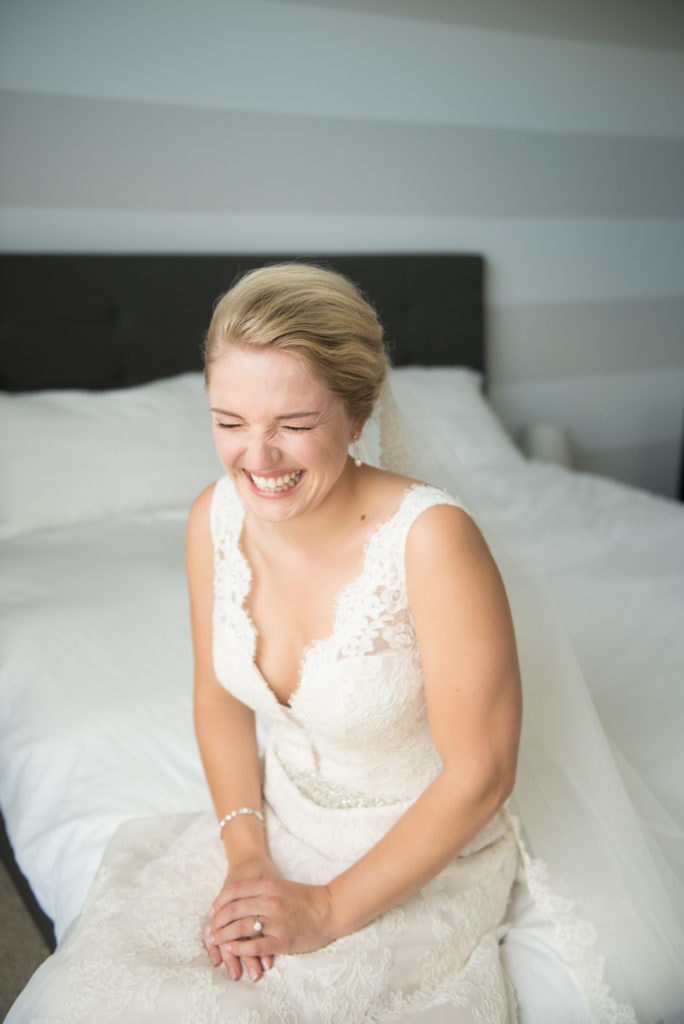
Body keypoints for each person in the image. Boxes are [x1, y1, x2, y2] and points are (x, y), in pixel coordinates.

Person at [6, 262, 647, 1022]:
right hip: (274, 824)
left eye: (295, 425)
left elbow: (481, 775)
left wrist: (329, 911)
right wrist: (247, 856)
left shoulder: (432, 540)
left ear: (357, 412)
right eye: (230, 421)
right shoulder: (211, 518)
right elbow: (216, 698)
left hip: (419, 854)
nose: (258, 459)